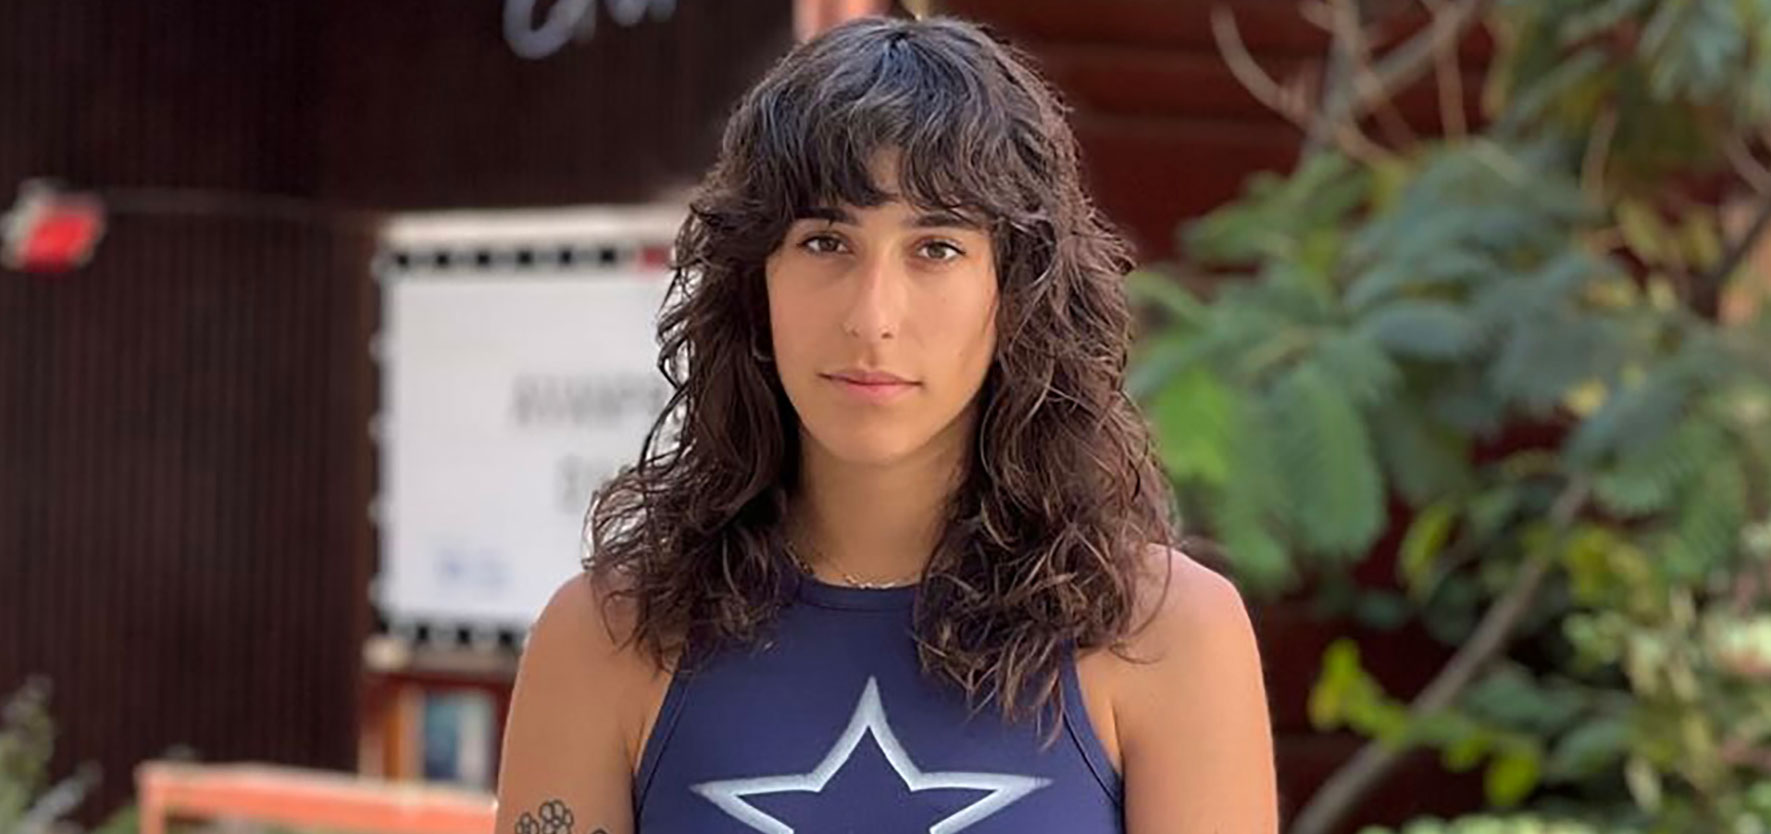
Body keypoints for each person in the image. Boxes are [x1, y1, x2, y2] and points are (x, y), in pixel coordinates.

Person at [495, 15, 1277, 834]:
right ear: (754, 285)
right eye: (825, 242)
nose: (872, 318)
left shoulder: (1167, 636)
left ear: (1018, 292)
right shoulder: (604, 641)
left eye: (935, 248)